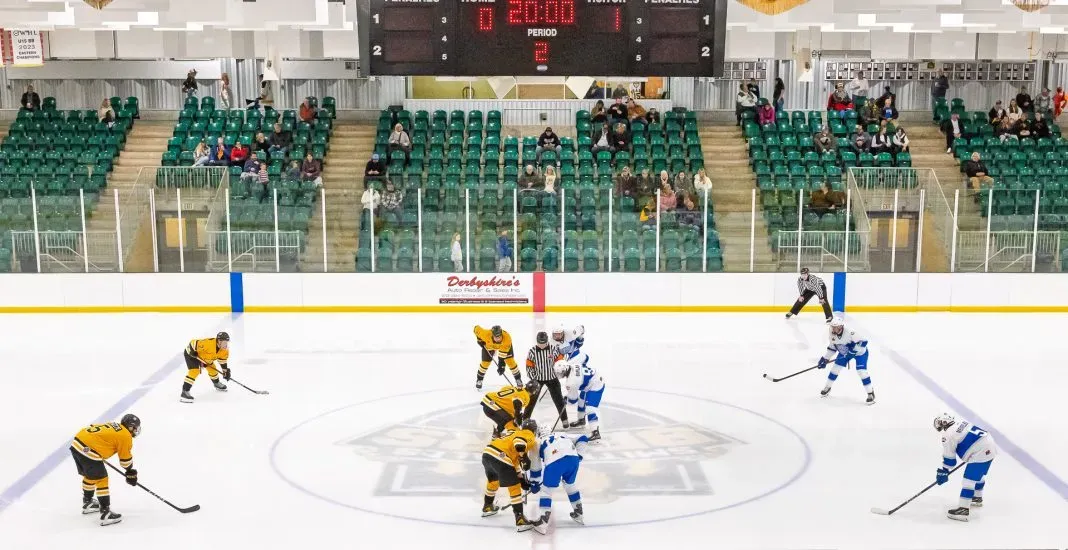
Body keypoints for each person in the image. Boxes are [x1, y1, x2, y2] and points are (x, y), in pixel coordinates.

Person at [70, 414, 141, 526]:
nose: (136, 430)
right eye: (136, 427)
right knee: (102, 479)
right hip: (88, 450)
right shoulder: (125, 435)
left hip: (76, 444)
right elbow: (125, 460)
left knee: (90, 476)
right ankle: (105, 513)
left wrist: (96, 449)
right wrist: (130, 472)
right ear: (131, 427)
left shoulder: (114, 425)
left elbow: (94, 431)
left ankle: (88, 502)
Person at [933, 413, 998, 522]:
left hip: (980, 453)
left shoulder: (947, 435)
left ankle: (963, 510)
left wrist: (943, 471)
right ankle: (977, 498)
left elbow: (950, 460)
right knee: (979, 475)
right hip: (990, 447)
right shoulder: (962, 423)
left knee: (968, 481)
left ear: (942, 423)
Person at [480, 418, 538, 531]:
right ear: (534, 430)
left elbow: (513, 463)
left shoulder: (513, 433)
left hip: (488, 454)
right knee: (514, 487)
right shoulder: (528, 434)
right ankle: (520, 519)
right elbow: (519, 442)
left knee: (493, 481)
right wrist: (523, 457)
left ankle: (487, 506)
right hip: (501, 456)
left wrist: (521, 478)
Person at [529, 431, 588, 534]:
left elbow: (535, 467)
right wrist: (579, 456)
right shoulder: (562, 434)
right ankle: (579, 513)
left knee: (546, 490)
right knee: (570, 485)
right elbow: (583, 437)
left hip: (554, 461)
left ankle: (543, 522)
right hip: (573, 459)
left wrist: (534, 484)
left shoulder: (537, 442)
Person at [815, 317, 875, 405]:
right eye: (832, 327)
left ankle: (870, 393)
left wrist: (853, 351)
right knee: (835, 369)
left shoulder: (850, 332)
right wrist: (825, 359)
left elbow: (864, 341)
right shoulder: (831, 333)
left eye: (836, 327)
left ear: (841, 327)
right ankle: (827, 387)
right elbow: (832, 347)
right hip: (845, 352)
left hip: (860, 353)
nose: (834, 329)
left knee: (861, 372)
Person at [555, 354, 605, 441]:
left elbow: (573, 400)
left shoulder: (571, 382)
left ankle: (595, 432)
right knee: (582, 400)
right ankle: (581, 420)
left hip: (596, 385)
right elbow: (585, 357)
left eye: (560, 372)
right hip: (592, 380)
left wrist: (566, 399)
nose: (559, 374)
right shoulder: (573, 364)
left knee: (590, 409)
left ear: (565, 369)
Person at [524, 332, 567, 427]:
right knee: (530, 400)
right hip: (537, 380)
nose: (542, 345)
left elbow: (561, 362)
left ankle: (565, 420)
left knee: (559, 399)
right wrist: (533, 378)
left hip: (552, 378)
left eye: (543, 343)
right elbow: (529, 367)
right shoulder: (532, 351)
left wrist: (560, 371)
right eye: (540, 343)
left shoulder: (553, 349)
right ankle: (525, 419)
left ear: (547, 341)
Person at [179, 332, 231, 403]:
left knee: (213, 369)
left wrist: (225, 372)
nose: (226, 345)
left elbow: (223, 362)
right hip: (192, 355)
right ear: (219, 341)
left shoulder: (224, 351)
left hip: (205, 358)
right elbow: (193, 343)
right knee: (195, 371)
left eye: (227, 342)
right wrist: (192, 350)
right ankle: (185, 392)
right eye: (224, 343)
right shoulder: (208, 344)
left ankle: (216, 383)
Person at [473, 324, 524, 390]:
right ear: (492, 335)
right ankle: (479, 380)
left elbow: (502, 357)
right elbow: (476, 328)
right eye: (496, 337)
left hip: (504, 347)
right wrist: (479, 340)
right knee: (485, 363)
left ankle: (518, 378)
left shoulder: (507, 338)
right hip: (489, 346)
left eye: (499, 337)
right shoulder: (485, 334)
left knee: (510, 362)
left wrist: (501, 365)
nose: (498, 339)